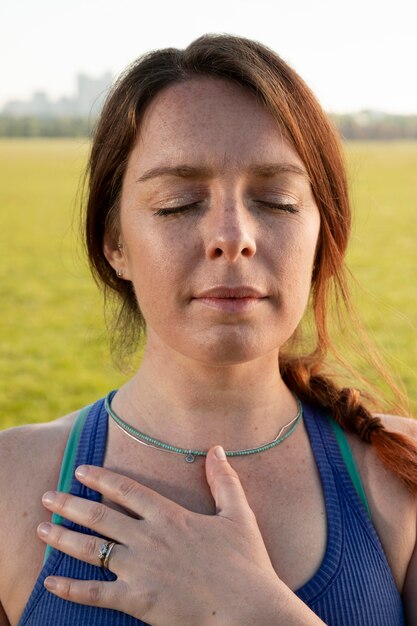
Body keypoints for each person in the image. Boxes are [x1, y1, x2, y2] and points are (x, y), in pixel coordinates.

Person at [0, 34, 416, 626]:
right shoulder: (10, 487)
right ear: (114, 243)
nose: (233, 235)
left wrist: (251, 607)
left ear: (324, 233)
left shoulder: (403, 476)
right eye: (176, 204)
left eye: (276, 200)